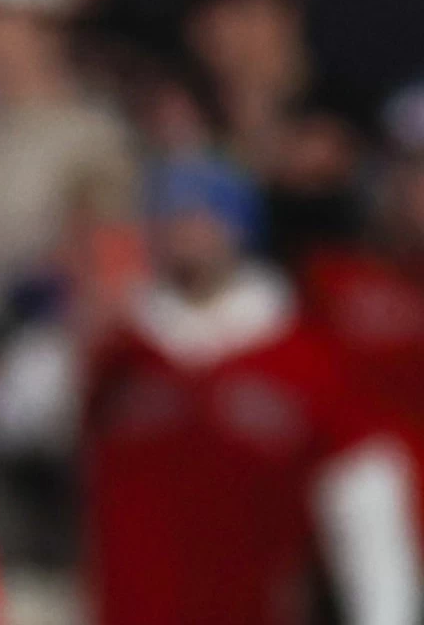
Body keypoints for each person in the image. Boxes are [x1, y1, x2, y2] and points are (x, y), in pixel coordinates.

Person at [83, 155, 421, 625]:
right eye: (174, 215)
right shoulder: (117, 352)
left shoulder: (302, 355)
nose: (188, 231)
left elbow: (367, 511)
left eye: (204, 216)